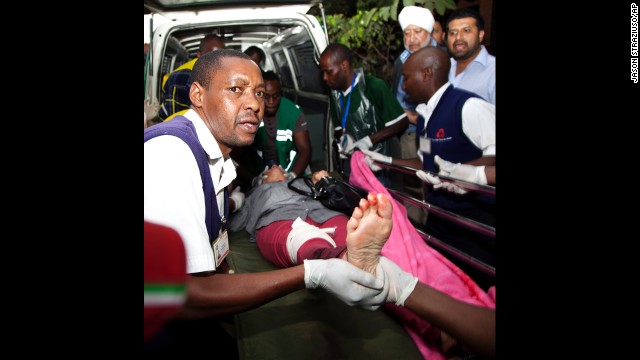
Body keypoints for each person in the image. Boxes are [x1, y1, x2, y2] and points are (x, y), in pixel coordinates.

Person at [144, 49, 388, 353]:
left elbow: (208, 261)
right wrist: (311, 273)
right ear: (197, 94)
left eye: (259, 93)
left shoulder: (217, 160)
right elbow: (178, 296)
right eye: (236, 89)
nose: (254, 104)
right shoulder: (172, 154)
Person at [229, 165, 494, 359]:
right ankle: (340, 258)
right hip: (277, 218)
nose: (276, 168)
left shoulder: (303, 183)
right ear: (261, 179)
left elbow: (335, 193)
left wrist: (322, 180)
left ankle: (348, 257)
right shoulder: (258, 194)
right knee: (302, 239)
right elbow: (236, 224)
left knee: (353, 242)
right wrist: (237, 201)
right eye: (268, 170)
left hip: (322, 210)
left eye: (280, 169)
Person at [362, 46, 496, 270]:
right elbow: (425, 161)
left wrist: (462, 173)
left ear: (426, 74)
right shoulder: (425, 117)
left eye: (406, 78)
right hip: (441, 216)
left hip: (476, 221)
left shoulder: (468, 107)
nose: (403, 87)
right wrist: (384, 162)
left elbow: (494, 156)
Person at [319, 43, 408, 186]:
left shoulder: (374, 87)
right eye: (322, 72)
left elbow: (401, 122)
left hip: (380, 166)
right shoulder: (335, 94)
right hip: (354, 166)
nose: (324, 77)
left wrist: (369, 140)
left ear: (344, 66)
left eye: (328, 72)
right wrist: (343, 139)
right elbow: (338, 128)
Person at [390, 5, 436, 225]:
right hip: (408, 133)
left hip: (434, 134)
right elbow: (397, 96)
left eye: (418, 31)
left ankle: (433, 232)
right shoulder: (403, 59)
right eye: (407, 33)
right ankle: (415, 232)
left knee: (433, 183)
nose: (412, 38)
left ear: (430, 32)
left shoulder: (441, 58)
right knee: (411, 183)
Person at [231, 70, 312, 188]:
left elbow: (305, 150)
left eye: (276, 96)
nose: (271, 102)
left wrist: (291, 177)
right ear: (258, 93)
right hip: (255, 177)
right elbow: (234, 159)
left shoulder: (293, 113)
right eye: (266, 96)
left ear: (281, 93)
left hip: (289, 174)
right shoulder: (247, 113)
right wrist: (254, 181)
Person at [158, 34, 226, 122]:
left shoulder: (226, 76)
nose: (217, 62)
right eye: (210, 56)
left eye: (221, 56)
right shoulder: (180, 79)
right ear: (199, 55)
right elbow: (171, 118)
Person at [446, 8, 495, 105]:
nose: (458, 37)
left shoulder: (493, 71)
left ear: (480, 35)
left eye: (466, 30)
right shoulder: (444, 67)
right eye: (453, 33)